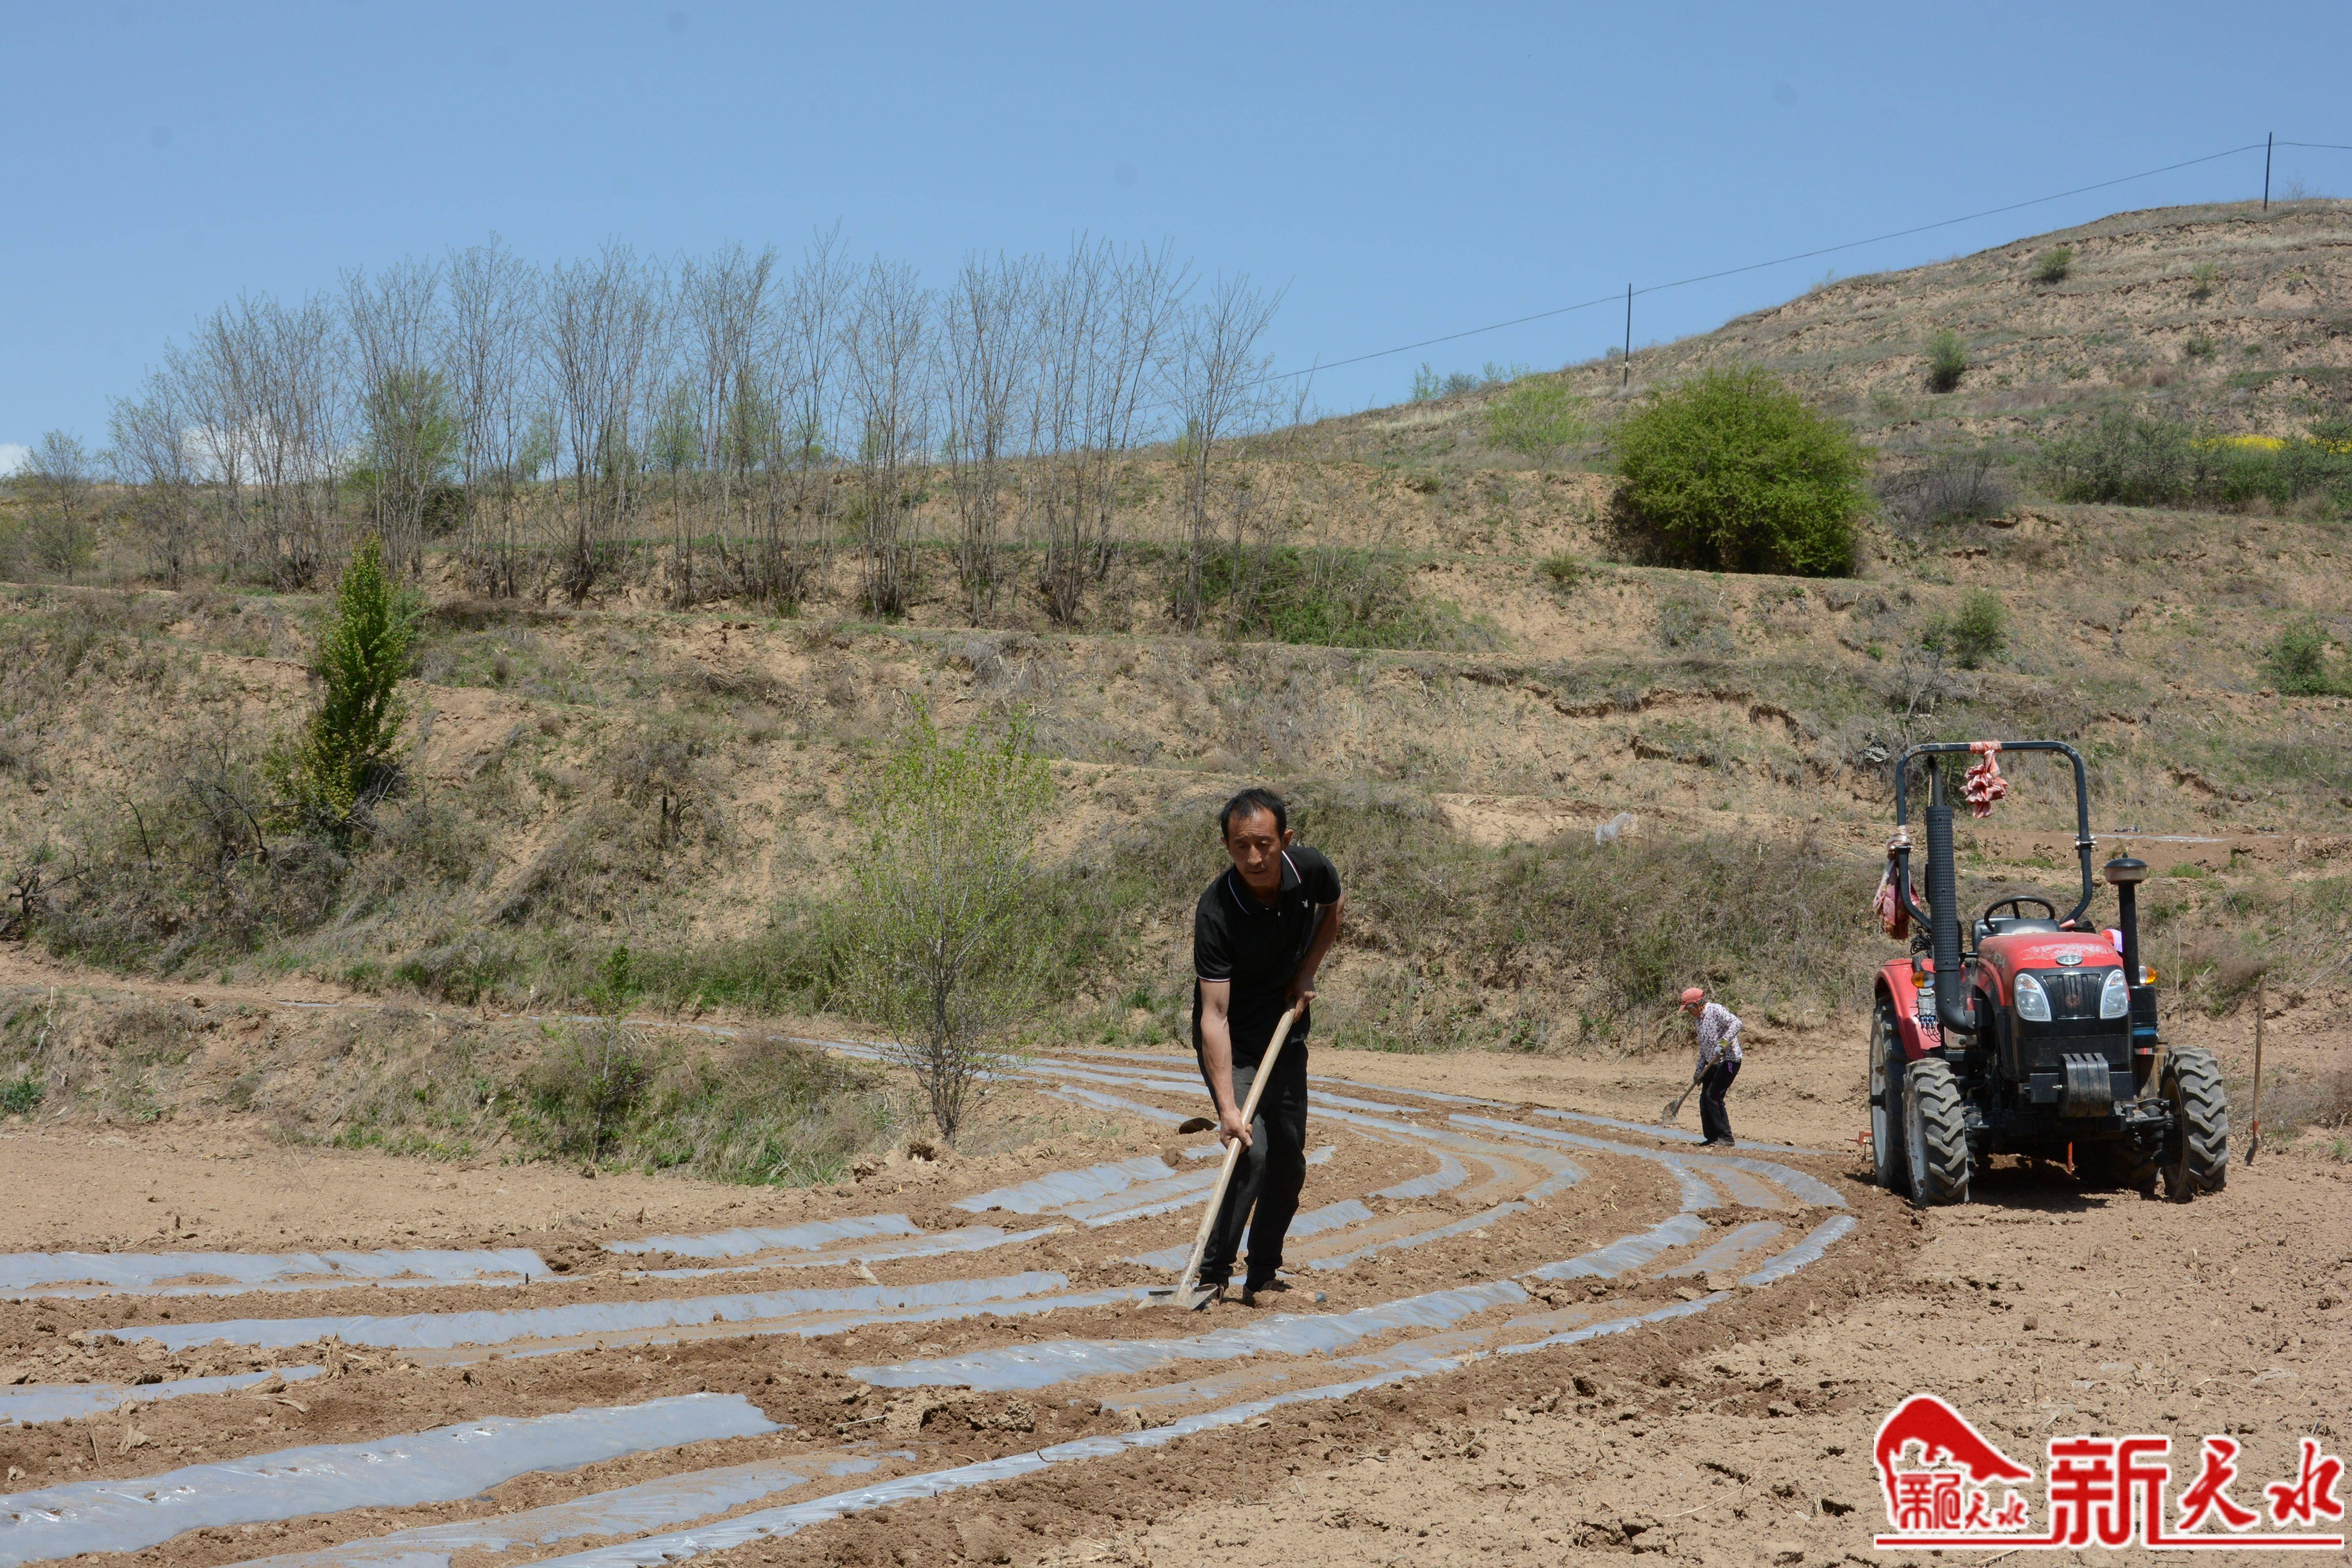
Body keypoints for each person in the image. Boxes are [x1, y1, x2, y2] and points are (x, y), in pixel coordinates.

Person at [1192, 788, 1345, 1304]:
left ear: (1286, 840)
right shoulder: (1217, 910)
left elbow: (1335, 906)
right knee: (1248, 1150)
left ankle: (1263, 1277)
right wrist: (1229, 1108)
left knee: (1288, 1162)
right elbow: (1213, 1015)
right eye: (1241, 847)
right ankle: (1211, 1276)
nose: (1254, 859)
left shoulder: (1311, 871)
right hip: (1233, 1041)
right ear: (1227, 846)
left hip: (1286, 1034)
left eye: (1264, 844)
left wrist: (1306, 971)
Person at [1680, 986, 1743, 1148]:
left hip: (1729, 1061)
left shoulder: (1716, 1010)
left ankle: (1726, 1138)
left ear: (1698, 1004)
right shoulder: (1698, 1020)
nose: (1688, 1012)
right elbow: (1704, 1048)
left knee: (1714, 1096)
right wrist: (1699, 1072)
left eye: (1689, 1008)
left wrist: (1723, 1043)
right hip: (1712, 1064)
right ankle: (1712, 1137)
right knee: (1704, 1100)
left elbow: (1737, 1023)